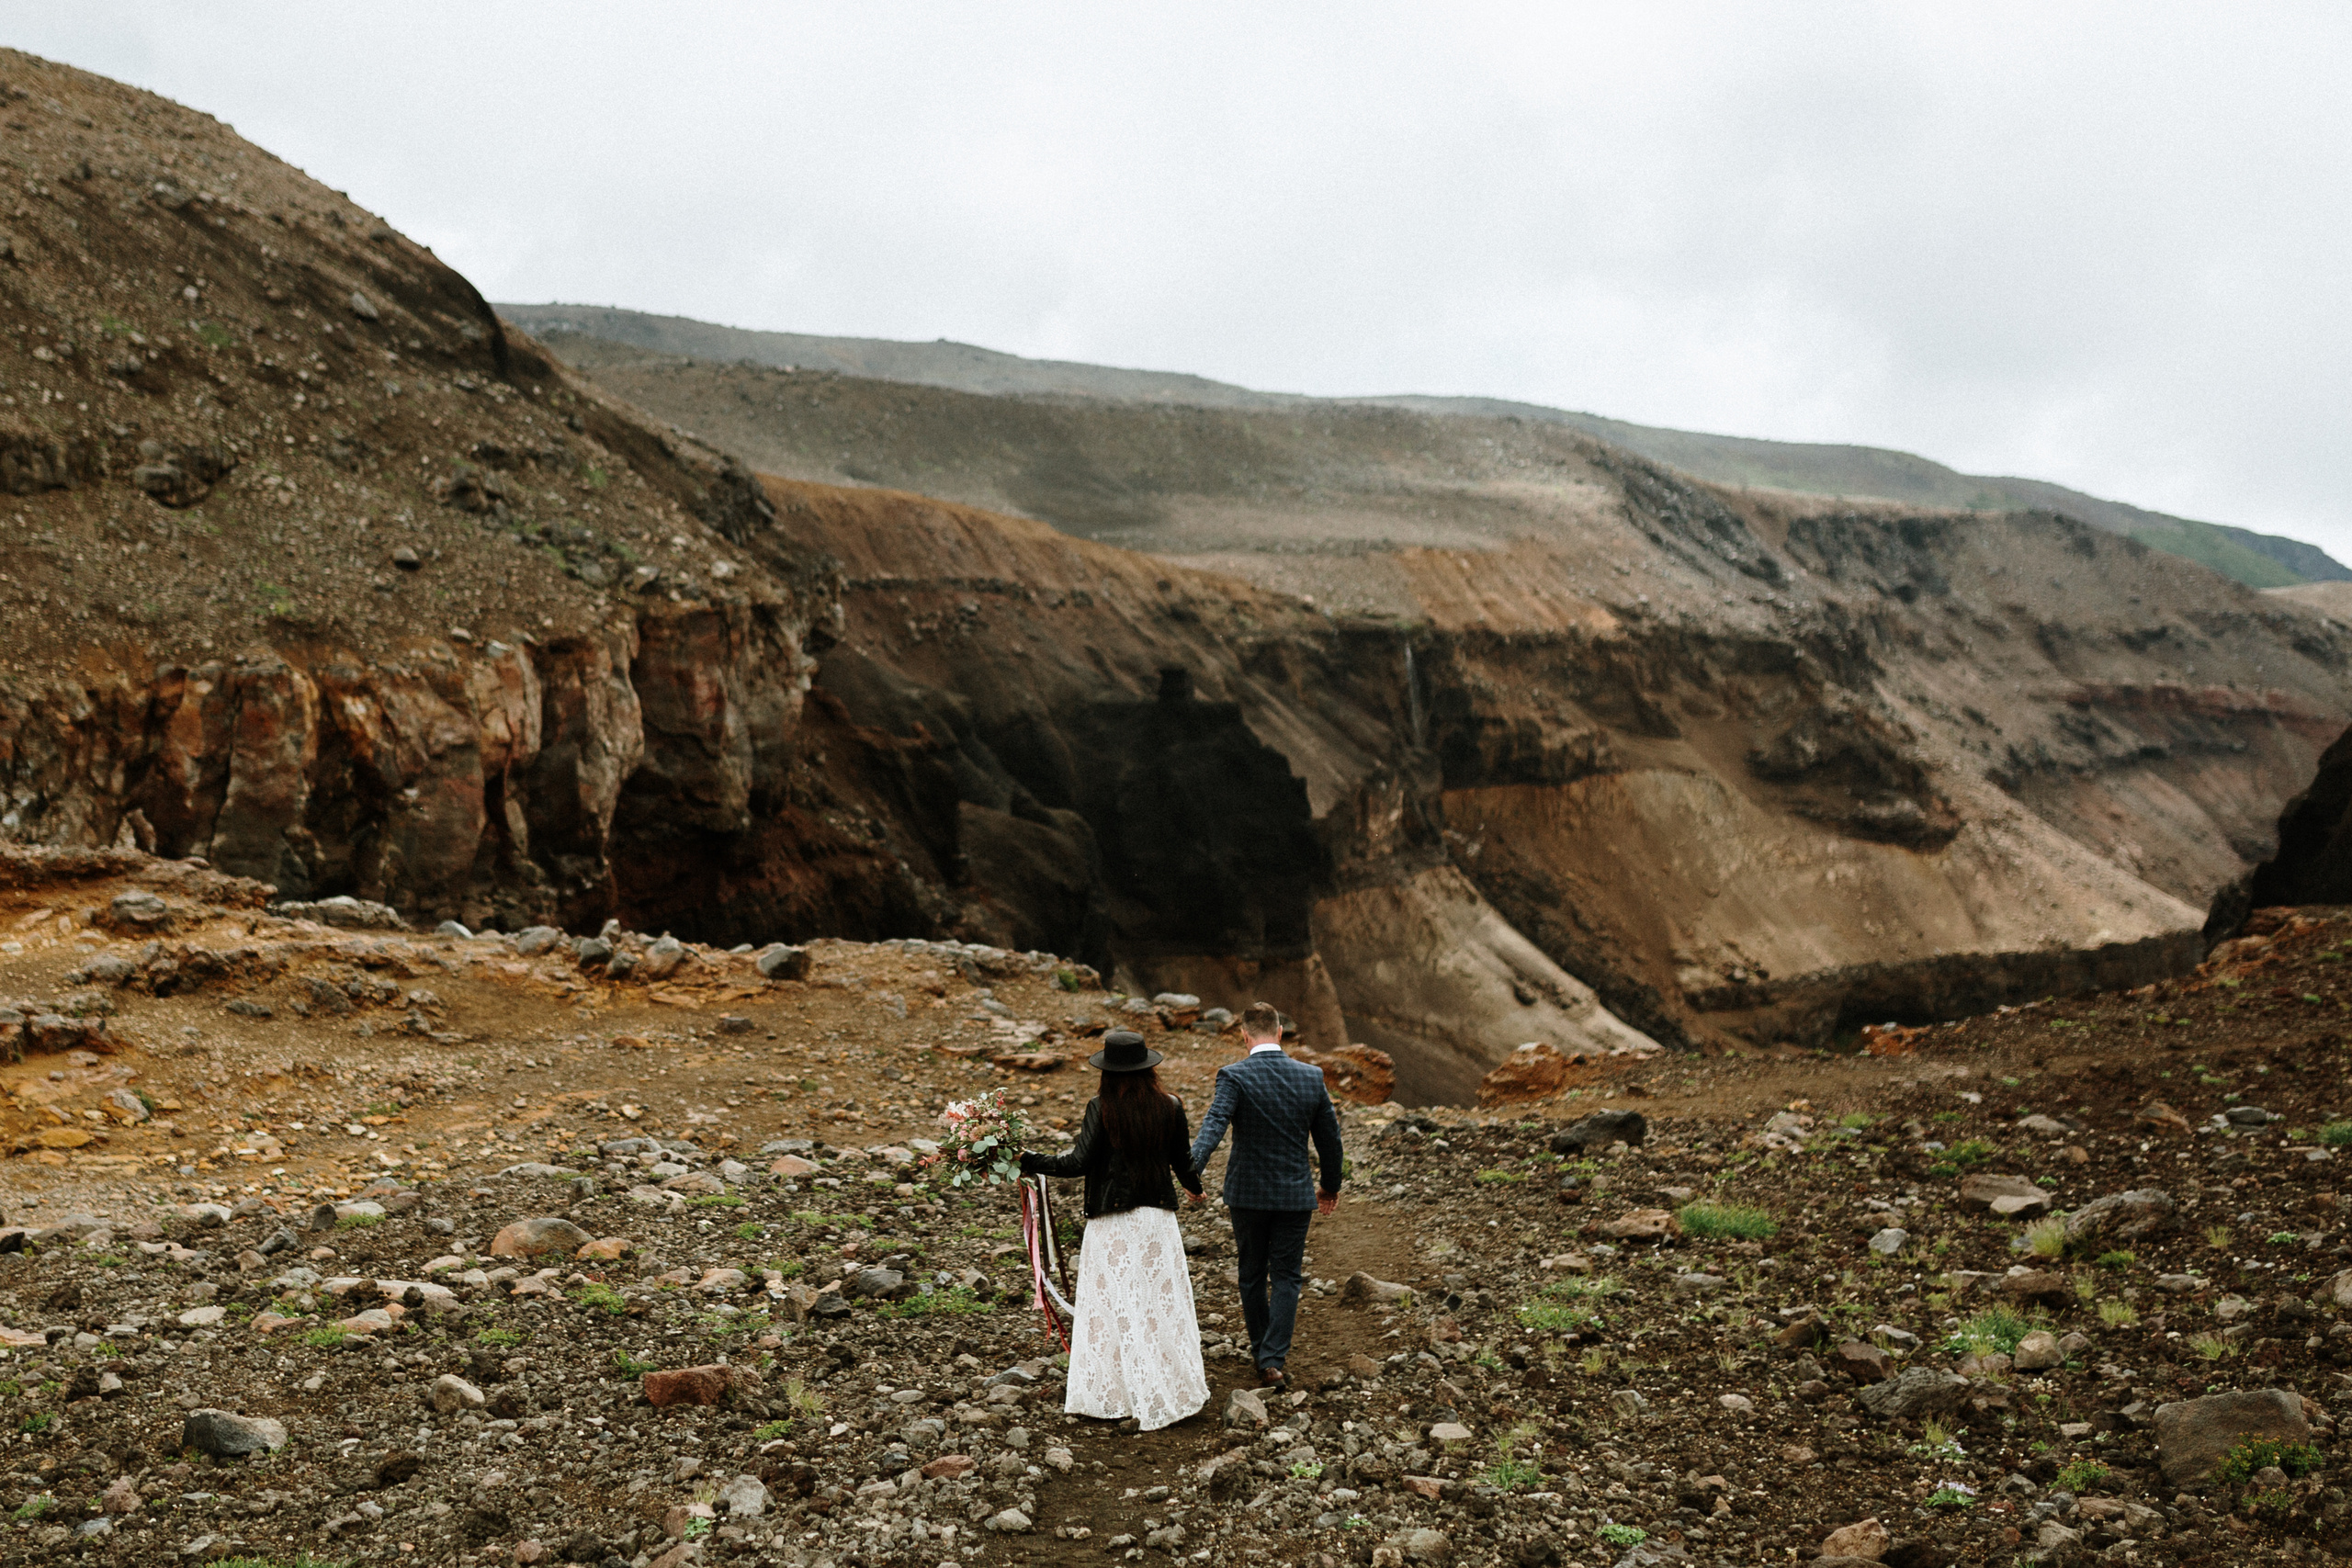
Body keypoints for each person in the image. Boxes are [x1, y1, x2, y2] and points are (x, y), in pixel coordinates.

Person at [1018, 1028, 1210, 1429]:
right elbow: (1182, 1160)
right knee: (1159, 1307)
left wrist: (1027, 1159)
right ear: (1148, 1068)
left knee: (1115, 1308)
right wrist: (1195, 1189)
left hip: (1113, 1225)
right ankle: (1167, 1389)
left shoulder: (1101, 1106)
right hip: (1157, 1222)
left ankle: (1116, 1395)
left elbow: (1078, 1164)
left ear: (1106, 1071)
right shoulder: (1170, 1106)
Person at [1188, 1001, 1344, 1388]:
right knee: (1288, 1275)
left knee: (1252, 1273)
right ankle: (1273, 1358)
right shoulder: (1311, 1077)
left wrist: (1190, 1173)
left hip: (1247, 1196)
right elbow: (1330, 1140)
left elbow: (1213, 1126)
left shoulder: (1234, 1076)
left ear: (1244, 1035)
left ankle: (1262, 1352)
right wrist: (1329, 1186)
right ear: (1279, 1033)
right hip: (1294, 1195)